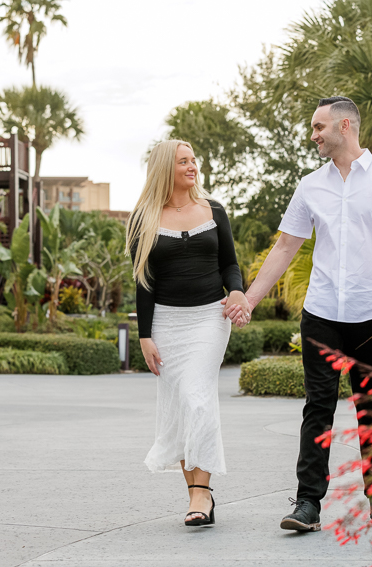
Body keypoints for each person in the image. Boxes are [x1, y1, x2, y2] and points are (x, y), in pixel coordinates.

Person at [225, 96, 372, 531]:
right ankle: (308, 505)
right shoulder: (310, 186)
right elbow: (285, 246)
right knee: (317, 407)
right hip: (321, 312)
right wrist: (249, 298)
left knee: (370, 406)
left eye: (319, 126)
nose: (313, 134)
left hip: (371, 313)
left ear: (345, 127)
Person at [126, 139, 250, 527]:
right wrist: (144, 335)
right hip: (165, 323)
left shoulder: (213, 210)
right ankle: (197, 497)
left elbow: (229, 263)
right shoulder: (142, 218)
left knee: (197, 396)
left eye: (193, 159)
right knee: (180, 404)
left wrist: (237, 291)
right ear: (166, 167)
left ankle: (203, 492)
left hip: (209, 319)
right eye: (183, 161)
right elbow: (143, 282)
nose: (192, 166)